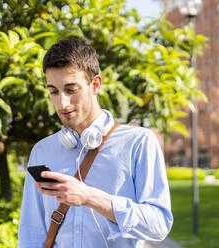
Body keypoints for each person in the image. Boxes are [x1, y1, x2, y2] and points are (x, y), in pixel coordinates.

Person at [17, 38, 173, 248]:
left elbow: (159, 224)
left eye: (71, 90)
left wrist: (90, 197)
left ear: (95, 85)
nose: (62, 103)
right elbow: (30, 235)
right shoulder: (42, 151)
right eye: (54, 91)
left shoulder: (139, 142)